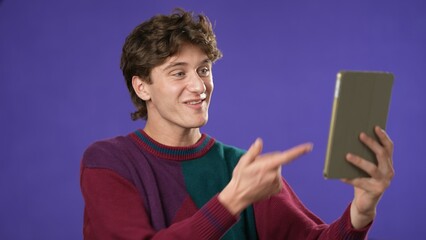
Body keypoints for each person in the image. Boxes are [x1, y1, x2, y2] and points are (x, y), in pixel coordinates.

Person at [80, 8, 394, 240]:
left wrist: (361, 211)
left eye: (204, 70)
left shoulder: (241, 168)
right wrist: (231, 201)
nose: (199, 86)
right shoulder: (108, 163)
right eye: (179, 73)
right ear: (142, 87)